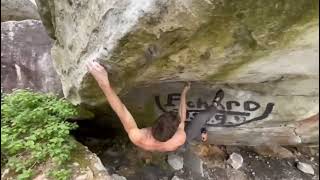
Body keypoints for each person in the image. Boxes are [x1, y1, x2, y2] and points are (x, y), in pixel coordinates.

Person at [86, 61, 190, 152]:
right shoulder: (178, 140)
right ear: (172, 134)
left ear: (155, 122)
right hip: (159, 147)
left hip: (144, 141)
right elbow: (182, 117)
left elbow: (121, 110)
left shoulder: (137, 137)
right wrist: (184, 92)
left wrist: (103, 83)